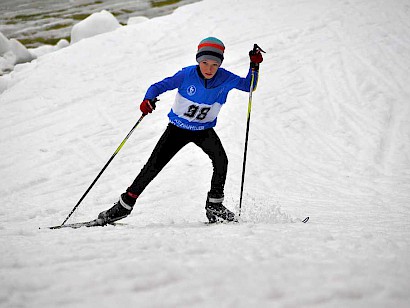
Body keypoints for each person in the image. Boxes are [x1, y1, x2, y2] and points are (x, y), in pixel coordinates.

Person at [98, 37, 263, 224]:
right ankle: (123, 206)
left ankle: (214, 206)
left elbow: (249, 86)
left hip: (204, 130)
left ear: (220, 64)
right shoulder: (186, 75)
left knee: (221, 161)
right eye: (205, 63)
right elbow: (158, 86)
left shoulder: (226, 78)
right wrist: (148, 99)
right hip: (177, 129)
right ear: (198, 61)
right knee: (153, 166)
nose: (209, 68)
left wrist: (254, 66)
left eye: (214, 64)